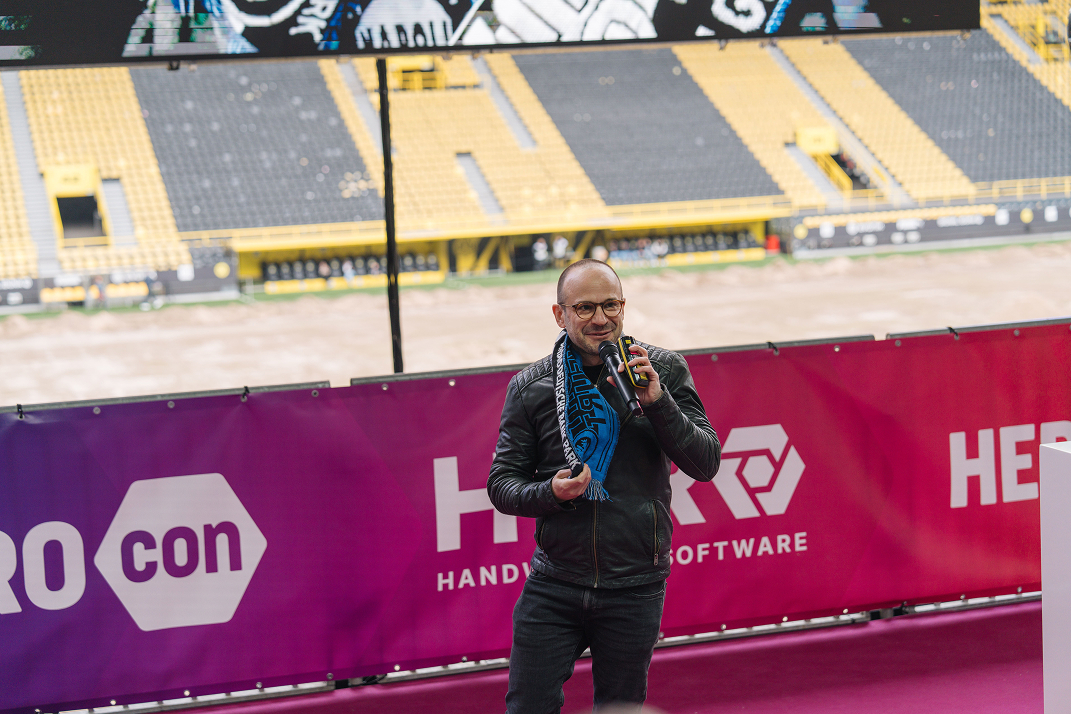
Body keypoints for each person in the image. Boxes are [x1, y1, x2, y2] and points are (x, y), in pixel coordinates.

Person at [488, 259, 721, 713]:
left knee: (620, 708)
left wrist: (657, 401)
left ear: (624, 306)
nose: (600, 319)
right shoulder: (531, 387)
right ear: (560, 315)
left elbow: (705, 462)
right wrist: (549, 494)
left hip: (635, 585)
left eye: (610, 305)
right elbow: (502, 484)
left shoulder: (663, 371)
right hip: (554, 583)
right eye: (585, 307)